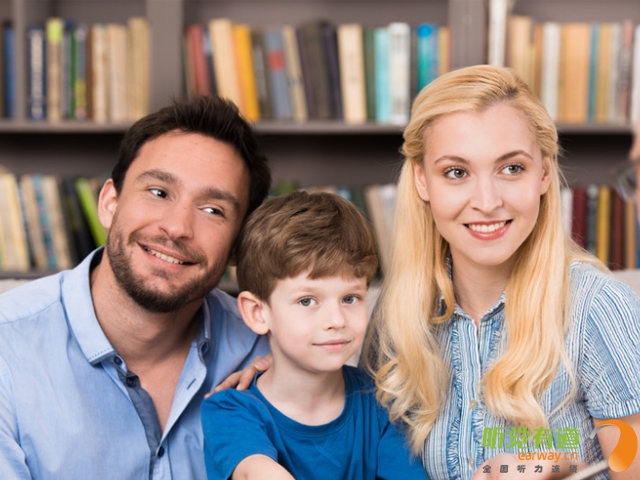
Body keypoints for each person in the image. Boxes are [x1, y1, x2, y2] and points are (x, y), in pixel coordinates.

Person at [362, 65, 640, 480]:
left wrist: (561, 465)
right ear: (422, 180)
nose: (487, 202)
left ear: (544, 172)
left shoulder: (598, 308)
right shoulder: (397, 314)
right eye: (456, 172)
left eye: (511, 168)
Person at [0, 95, 272, 479]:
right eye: (159, 192)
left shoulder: (272, 349)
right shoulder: (8, 350)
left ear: (237, 247)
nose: (176, 227)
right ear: (110, 203)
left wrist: (312, 381)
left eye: (213, 210)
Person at [201, 191, 427, 480]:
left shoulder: (382, 403)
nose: (336, 320)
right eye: (307, 301)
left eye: (350, 298)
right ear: (258, 313)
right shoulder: (228, 412)